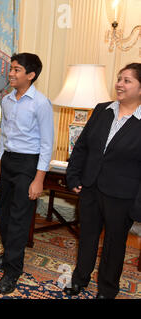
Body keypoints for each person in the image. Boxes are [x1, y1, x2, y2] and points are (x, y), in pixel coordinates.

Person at [64, 63, 141, 299]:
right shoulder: (102, 109)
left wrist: (137, 205)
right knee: (86, 237)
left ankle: (107, 291)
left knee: (113, 246)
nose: (119, 83)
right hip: (91, 188)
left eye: (127, 80)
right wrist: (73, 176)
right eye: (119, 78)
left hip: (122, 196)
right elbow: (82, 147)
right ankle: (80, 280)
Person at [0, 53, 54, 295]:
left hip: (28, 165)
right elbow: (4, 135)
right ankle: (7, 257)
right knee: (4, 213)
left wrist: (39, 178)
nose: (11, 74)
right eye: (11, 69)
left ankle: (13, 270)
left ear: (31, 75)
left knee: (19, 219)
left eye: (16, 70)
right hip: (9, 160)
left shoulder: (41, 103)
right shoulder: (7, 100)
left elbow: (47, 144)